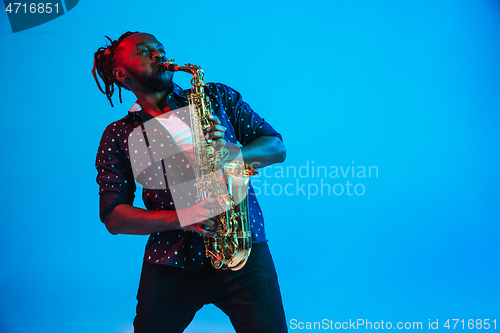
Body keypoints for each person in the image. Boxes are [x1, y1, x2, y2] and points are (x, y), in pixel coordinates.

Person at [93, 31, 287, 333]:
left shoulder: (216, 98)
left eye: (159, 48)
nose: (158, 54)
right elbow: (114, 217)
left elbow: (276, 147)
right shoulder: (119, 134)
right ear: (121, 73)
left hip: (243, 251)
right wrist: (180, 218)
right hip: (171, 260)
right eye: (144, 52)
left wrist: (233, 156)